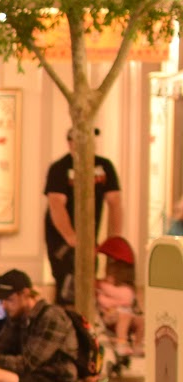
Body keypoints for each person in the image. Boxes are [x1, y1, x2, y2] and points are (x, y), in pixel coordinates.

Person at [44, 128, 123, 307]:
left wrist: (114, 240)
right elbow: (56, 204)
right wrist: (71, 237)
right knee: (66, 284)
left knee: (88, 280)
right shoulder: (60, 168)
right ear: (71, 142)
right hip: (61, 240)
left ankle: (86, 322)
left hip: (89, 239)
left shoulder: (104, 166)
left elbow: (115, 202)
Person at [95, 236, 140, 357]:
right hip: (109, 315)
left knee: (138, 320)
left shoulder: (125, 289)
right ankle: (121, 342)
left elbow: (127, 299)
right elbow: (102, 300)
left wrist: (113, 301)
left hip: (122, 313)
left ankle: (137, 345)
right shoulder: (104, 288)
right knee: (124, 315)